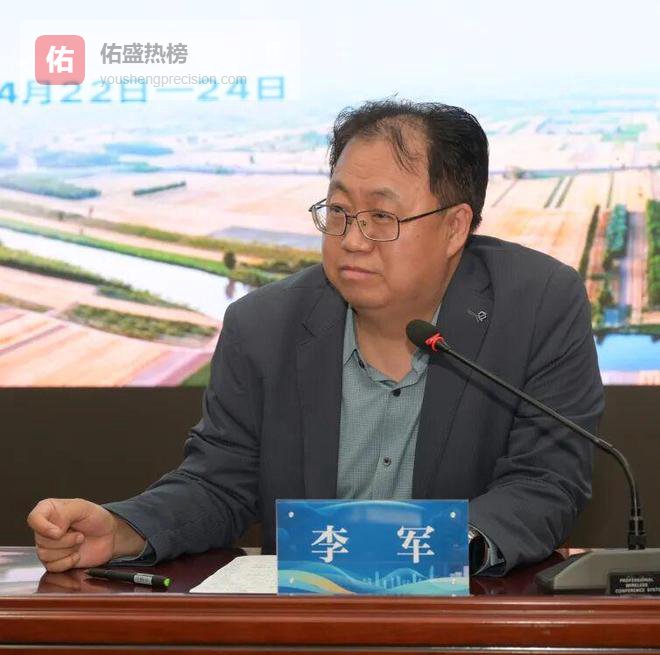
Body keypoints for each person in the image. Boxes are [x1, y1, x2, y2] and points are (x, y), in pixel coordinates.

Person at [27, 100, 604, 576]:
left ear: (455, 227)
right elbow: (219, 485)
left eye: (382, 217)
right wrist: (123, 528)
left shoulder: (537, 305)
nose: (352, 239)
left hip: (468, 623)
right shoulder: (262, 326)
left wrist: (439, 551)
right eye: (340, 211)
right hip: (309, 626)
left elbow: (545, 481)